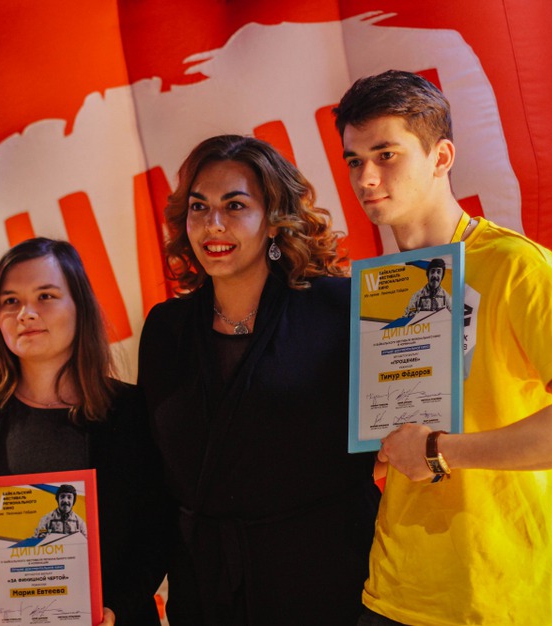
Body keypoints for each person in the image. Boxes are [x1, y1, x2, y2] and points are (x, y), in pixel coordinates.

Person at [333, 70, 552, 625]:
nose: (366, 177)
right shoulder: (384, 285)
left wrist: (439, 450)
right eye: (354, 160)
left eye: (386, 155)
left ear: (441, 157)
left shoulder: (516, 266)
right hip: (389, 591)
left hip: (493, 600)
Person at [138, 134, 381, 625]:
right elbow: (152, 475)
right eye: (199, 207)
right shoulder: (165, 328)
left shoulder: (340, 308)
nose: (214, 224)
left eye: (235, 205)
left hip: (325, 582)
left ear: (274, 219)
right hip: (205, 591)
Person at [0, 237, 168, 626]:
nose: (25, 313)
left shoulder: (131, 410)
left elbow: (159, 527)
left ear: (80, 306)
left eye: (45, 296)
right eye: (10, 301)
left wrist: (117, 607)